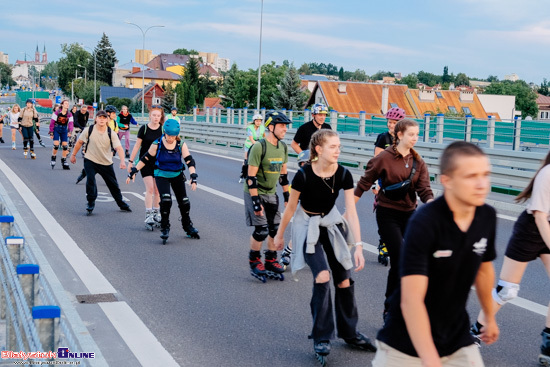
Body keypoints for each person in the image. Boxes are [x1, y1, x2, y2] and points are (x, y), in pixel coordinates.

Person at [371, 141, 499, 367]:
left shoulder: (486, 216)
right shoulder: (425, 223)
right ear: (447, 181)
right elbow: (411, 301)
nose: (481, 184)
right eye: (471, 176)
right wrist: (431, 360)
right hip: (405, 343)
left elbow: (483, 269)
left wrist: (489, 316)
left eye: (485, 175)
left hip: (455, 337)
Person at [274, 129, 376, 363]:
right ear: (318, 150)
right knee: (321, 276)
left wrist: (358, 246)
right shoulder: (303, 175)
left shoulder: (344, 174)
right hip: (307, 227)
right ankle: (322, 336)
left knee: (344, 279)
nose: (338, 150)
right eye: (333, 147)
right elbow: (290, 209)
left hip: (330, 224)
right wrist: (280, 236)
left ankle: (350, 333)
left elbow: (351, 212)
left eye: (339, 146)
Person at [471, 150, 550, 366]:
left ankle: (548, 345)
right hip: (532, 229)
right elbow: (541, 217)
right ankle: (475, 332)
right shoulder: (548, 173)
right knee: (507, 290)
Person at [355, 118, 434, 320]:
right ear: (399, 135)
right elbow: (365, 181)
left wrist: (433, 205)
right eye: (412, 135)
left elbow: (424, 188)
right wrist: (349, 208)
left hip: (410, 213)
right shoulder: (384, 158)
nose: (415, 138)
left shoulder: (418, 161)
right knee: (399, 259)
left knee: (419, 258)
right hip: (387, 213)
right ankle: (390, 308)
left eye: (417, 135)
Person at [127, 118, 199, 244]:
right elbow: (146, 158)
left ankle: (187, 225)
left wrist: (193, 176)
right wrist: (134, 171)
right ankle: (165, 227)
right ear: (164, 133)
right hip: (161, 174)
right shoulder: (157, 143)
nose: (171, 138)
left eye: (173, 135)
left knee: (184, 202)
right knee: (166, 200)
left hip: (177, 174)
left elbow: (189, 160)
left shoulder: (180, 144)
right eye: (169, 135)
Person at [244, 111, 290, 282]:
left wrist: (287, 196)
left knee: (275, 228)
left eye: (286, 126)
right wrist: (256, 202)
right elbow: (251, 177)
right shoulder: (259, 147)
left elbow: (284, 176)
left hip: (271, 192)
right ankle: (254, 260)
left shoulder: (283, 147)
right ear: (271, 127)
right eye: (282, 126)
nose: (285, 129)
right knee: (261, 229)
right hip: (254, 191)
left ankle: (270, 259)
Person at [69, 110, 131, 215]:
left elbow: (119, 148)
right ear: (96, 119)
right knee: (90, 181)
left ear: (107, 120)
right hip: (90, 160)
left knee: (113, 185)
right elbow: (79, 142)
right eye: (100, 117)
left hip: (106, 162)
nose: (102, 119)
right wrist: (73, 155)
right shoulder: (89, 130)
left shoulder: (110, 132)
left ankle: (121, 203)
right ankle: (90, 202)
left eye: (104, 118)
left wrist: (122, 161)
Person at [373, 107, 406, 266]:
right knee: (384, 212)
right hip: (384, 181)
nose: (390, 125)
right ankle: (383, 243)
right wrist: (375, 183)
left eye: (394, 123)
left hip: (401, 181)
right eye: (389, 122)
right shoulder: (383, 138)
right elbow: (376, 161)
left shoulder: (405, 139)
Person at [127, 105, 164, 230]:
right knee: (150, 189)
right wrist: (131, 162)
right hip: (145, 162)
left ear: (160, 117)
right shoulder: (143, 129)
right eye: (154, 115)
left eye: (158, 116)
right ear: (150, 115)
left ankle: (156, 213)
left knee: (158, 191)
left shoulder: (163, 130)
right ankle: (148, 214)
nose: (156, 118)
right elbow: (137, 146)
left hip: (159, 163)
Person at [279, 149, 310, 268]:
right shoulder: (300, 178)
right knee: (300, 233)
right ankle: (287, 252)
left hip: (318, 211)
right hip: (303, 209)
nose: (303, 166)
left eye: (305, 163)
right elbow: (293, 200)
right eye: (301, 164)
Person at [239, 114, 265, 182]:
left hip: (258, 144)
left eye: (260, 121)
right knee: (246, 160)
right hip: (249, 145)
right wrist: (257, 145)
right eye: (257, 121)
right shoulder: (250, 128)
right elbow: (251, 139)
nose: (258, 122)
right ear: (254, 121)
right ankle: (243, 172)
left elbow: (264, 136)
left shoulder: (262, 128)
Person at [49, 100, 74, 169]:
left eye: (68, 104)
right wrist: (51, 132)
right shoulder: (57, 113)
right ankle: (53, 157)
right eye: (65, 103)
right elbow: (52, 123)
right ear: (62, 105)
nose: (67, 105)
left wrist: (70, 131)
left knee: (65, 146)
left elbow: (71, 123)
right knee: (56, 145)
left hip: (64, 129)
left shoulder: (69, 114)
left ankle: (64, 160)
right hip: (57, 128)